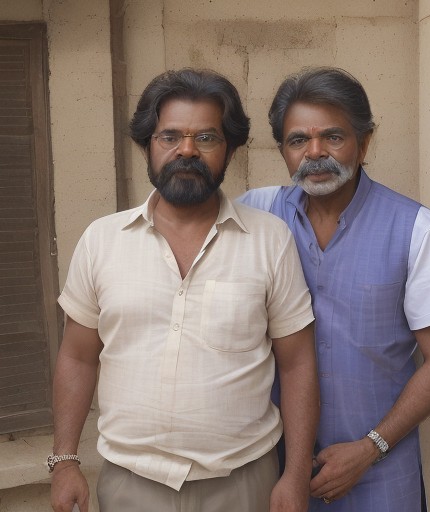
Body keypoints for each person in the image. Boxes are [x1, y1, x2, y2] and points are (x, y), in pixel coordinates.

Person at [49, 68, 320, 512]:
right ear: (148, 145)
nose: (187, 150)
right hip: (130, 484)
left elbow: (297, 364)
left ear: (229, 149)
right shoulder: (102, 240)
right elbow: (77, 356)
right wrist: (64, 462)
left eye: (206, 138)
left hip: (243, 483)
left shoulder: (270, 240)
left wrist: (294, 475)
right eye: (170, 136)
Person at [238, 66, 430, 511]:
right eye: (298, 140)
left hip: (381, 472)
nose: (315, 152)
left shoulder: (413, 227)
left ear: (364, 143)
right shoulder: (255, 215)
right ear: (283, 150)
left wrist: (369, 448)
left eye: (333, 136)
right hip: (275, 470)